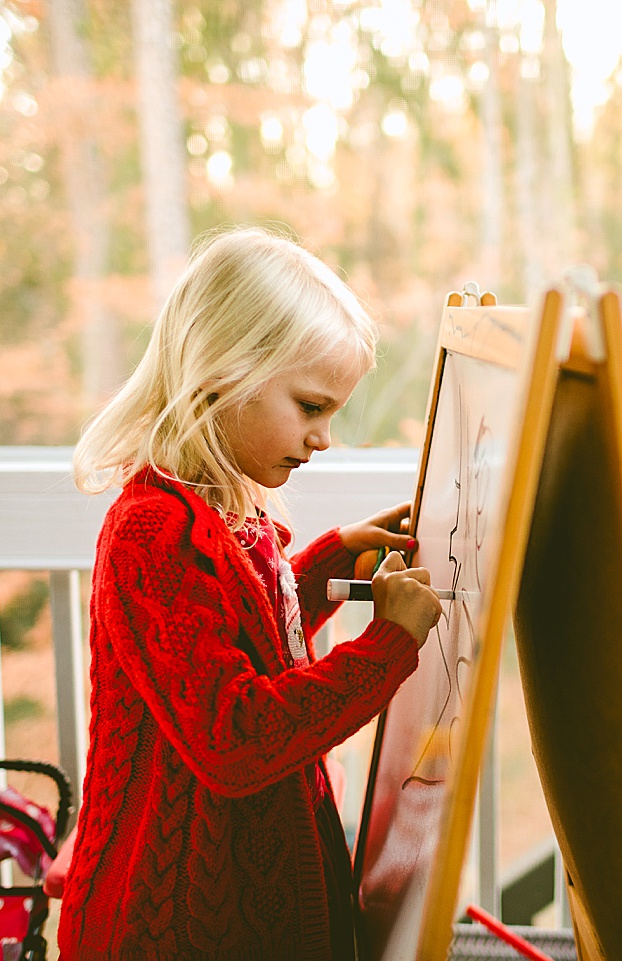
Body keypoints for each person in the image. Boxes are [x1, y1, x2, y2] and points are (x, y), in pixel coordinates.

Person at [58, 226, 443, 960]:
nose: (324, 437)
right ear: (224, 375)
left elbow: (240, 635)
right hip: (171, 926)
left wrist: (329, 565)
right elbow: (233, 733)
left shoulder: (228, 513)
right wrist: (385, 646)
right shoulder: (152, 532)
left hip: (240, 910)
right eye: (309, 406)